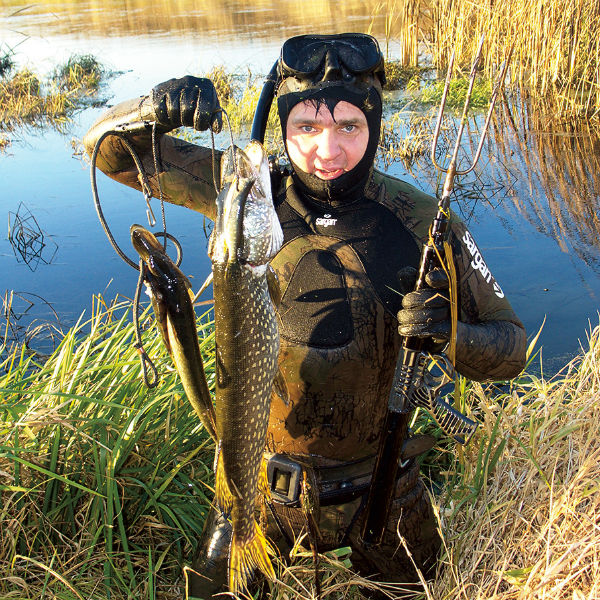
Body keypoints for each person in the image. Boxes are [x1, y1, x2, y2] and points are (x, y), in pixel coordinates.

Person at [84, 33, 526, 597]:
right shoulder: (245, 194)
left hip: (384, 484)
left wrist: (451, 336)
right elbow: (109, 154)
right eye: (307, 128)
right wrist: (152, 108)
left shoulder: (420, 221)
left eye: (349, 127)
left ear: (374, 126)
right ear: (283, 127)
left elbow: (511, 347)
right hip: (258, 485)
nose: (328, 151)